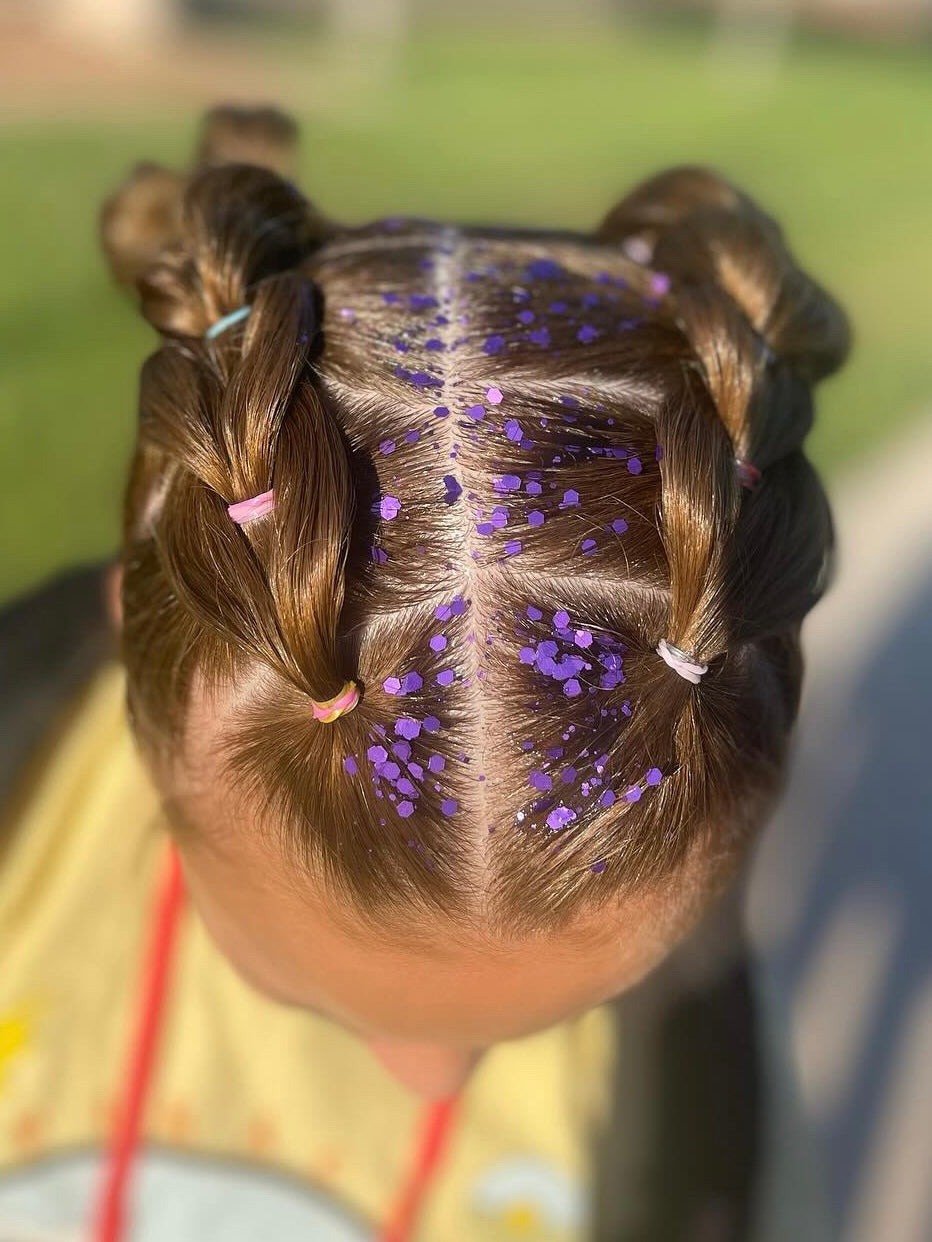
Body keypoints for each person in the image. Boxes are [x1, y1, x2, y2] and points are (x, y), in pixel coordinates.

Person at [0, 105, 850, 1242]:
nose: (429, 1079)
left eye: (574, 1007)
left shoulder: (712, 1128)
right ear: (130, 661)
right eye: (300, 989)